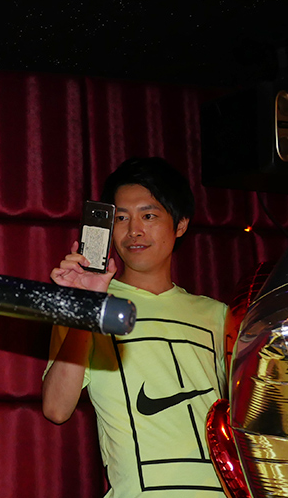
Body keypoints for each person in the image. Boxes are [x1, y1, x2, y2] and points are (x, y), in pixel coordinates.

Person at [42, 157, 227, 497]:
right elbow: (56, 408)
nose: (134, 231)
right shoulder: (84, 302)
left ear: (181, 224)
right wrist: (87, 307)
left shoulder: (219, 315)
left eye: (149, 216)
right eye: (121, 218)